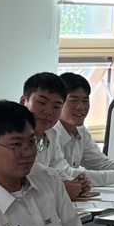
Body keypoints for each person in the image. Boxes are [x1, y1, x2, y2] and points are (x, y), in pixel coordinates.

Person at [53, 71, 114, 185]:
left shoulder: (80, 131)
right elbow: (66, 174)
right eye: (73, 100)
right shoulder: (51, 133)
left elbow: (101, 164)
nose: (81, 107)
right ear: (58, 102)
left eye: (85, 101)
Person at [23, 71, 89, 201]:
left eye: (56, 106)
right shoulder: (12, 137)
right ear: (23, 102)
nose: (48, 112)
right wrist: (60, 190)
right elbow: (21, 183)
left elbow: (59, 171)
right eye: (42, 103)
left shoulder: (51, 134)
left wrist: (75, 184)